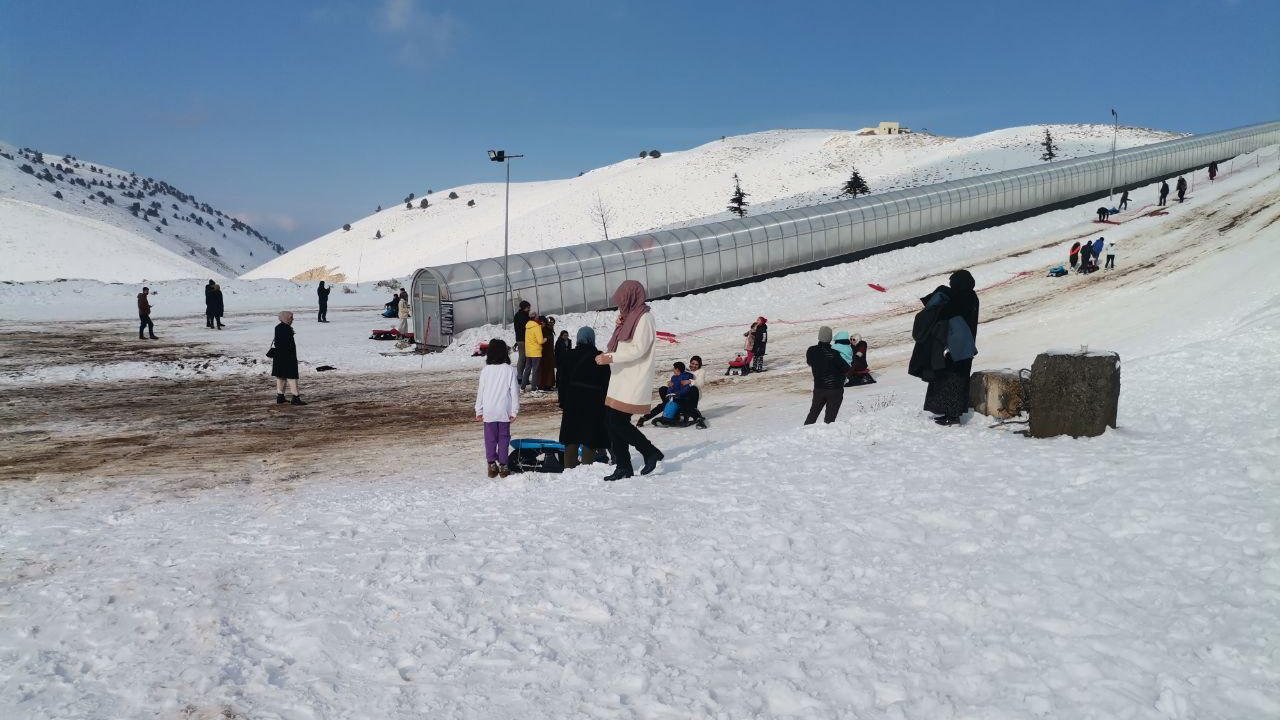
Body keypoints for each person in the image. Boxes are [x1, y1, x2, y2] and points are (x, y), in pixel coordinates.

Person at [594, 280, 662, 480]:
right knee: (610, 421)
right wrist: (619, 326)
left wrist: (610, 358)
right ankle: (623, 466)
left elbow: (638, 349)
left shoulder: (645, 318)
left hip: (634, 378)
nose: (620, 305)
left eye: (622, 301)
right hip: (621, 378)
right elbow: (621, 343)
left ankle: (649, 451)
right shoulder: (629, 317)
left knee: (617, 421)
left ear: (631, 297)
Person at [914, 270, 979, 426]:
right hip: (958, 346)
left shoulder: (966, 297)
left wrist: (941, 294)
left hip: (959, 348)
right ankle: (948, 412)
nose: (951, 285)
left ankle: (953, 416)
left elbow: (949, 310)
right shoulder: (968, 296)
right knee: (948, 379)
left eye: (953, 282)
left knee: (955, 381)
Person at [558, 327, 610, 469]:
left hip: (572, 400)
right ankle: (587, 468)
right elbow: (606, 382)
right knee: (590, 436)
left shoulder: (568, 355)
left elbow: (561, 380)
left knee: (571, 437)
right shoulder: (599, 357)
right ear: (592, 338)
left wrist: (562, 401)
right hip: (593, 402)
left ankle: (569, 468)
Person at [474, 338, 519, 478]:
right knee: (504, 439)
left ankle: (491, 464)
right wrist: (514, 411)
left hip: (489, 411)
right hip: (504, 410)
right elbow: (514, 392)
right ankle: (503, 465)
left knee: (490, 439)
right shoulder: (509, 370)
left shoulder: (486, 370)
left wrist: (478, 410)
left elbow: (481, 391)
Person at [804, 326, 850, 425]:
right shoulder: (834, 353)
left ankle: (804, 432)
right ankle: (827, 434)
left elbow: (810, 362)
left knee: (813, 414)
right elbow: (846, 368)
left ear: (819, 336)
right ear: (830, 338)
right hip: (835, 389)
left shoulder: (811, 350)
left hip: (819, 387)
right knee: (830, 419)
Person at [271, 311, 305, 405]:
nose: (292, 319)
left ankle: (280, 396)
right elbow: (287, 344)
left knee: (281, 376)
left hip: (279, 357)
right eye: (291, 318)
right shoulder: (286, 328)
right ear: (285, 318)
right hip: (287, 356)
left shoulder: (278, 327)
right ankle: (295, 397)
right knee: (292, 377)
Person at [520, 310, 543, 391]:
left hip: (529, 351)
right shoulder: (537, 327)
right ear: (535, 317)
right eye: (537, 316)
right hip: (536, 352)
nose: (538, 317)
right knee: (535, 370)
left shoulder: (528, 326)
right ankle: (534, 388)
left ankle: (522, 386)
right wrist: (545, 339)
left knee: (527, 369)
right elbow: (540, 341)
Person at [537, 316, 557, 390]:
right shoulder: (544, 330)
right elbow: (542, 341)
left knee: (549, 368)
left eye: (553, 323)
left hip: (549, 352)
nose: (552, 324)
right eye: (550, 323)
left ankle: (548, 384)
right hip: (544, 352)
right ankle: (544, 384)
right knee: (544, 368)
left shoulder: (550, 330)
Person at [513, 300, 531, 382]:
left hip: (523, 339)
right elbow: (526, 325)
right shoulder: (521, 316)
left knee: (525, 358)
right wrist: (531, 319)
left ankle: (523, 377)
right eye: (528, 308)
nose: (529, 309)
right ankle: (520, 377)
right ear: (524, 307)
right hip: (522, 340)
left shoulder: (523, 315)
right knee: (523, 358)